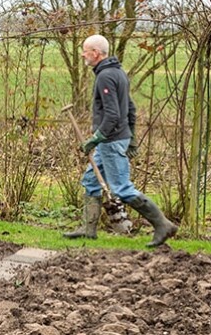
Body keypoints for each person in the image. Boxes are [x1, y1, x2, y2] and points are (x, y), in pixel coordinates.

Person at [64, 34, 178, 247]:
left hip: (110, 141)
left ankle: (162, 224)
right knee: (90, 181)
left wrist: (96, 138)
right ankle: (88, 229)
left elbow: (113, 114)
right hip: (115, 139)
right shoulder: (118, 73)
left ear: (96, 53)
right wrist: (132, 138)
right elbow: (131, 108)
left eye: (85, 51)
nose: (82, 55)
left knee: (121, 187)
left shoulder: (105, 76)